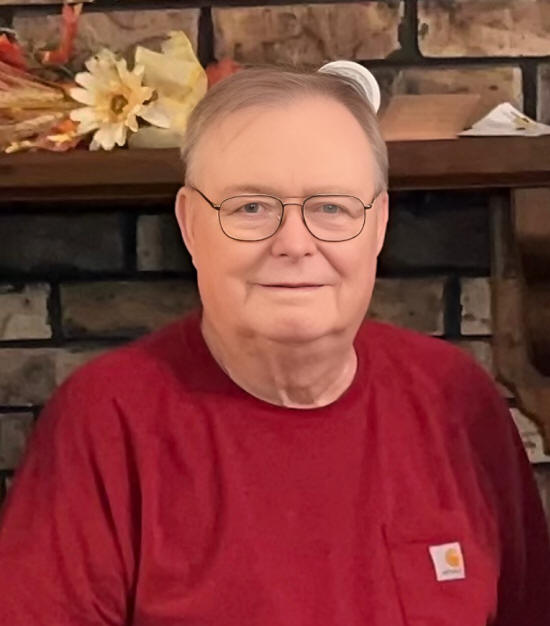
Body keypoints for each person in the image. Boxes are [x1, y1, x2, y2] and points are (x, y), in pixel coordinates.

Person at [0, 65, 549, 626]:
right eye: (251, 208)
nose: (294, 243)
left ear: (379, 225)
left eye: (331, 208)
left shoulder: (456, 399)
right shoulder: (107, 420)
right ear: (190, 226)